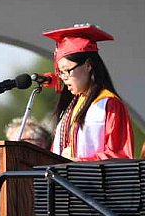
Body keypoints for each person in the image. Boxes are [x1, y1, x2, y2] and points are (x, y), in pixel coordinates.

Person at [44, 23, 134, 161]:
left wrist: (78, 162)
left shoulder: (109, 104)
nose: (64, 78)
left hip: (93, 181)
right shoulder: (69, 108)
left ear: (88, 65)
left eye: (68, 70)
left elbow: (120, 155)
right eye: (60, 72)